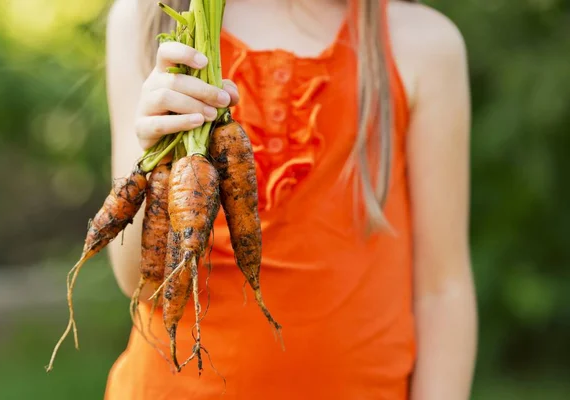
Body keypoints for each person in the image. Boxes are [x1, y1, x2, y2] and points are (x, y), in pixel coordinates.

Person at [103, 0, 477, 398]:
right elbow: (140, 284)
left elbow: (443, 290)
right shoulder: (148, 16)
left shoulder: (421, 44)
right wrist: (151, 151)